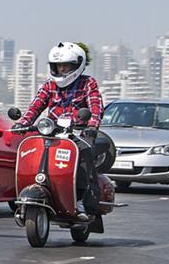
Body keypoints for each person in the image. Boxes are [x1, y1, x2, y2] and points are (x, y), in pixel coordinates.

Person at [13, 42, 103, 220]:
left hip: (78, 133)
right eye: (58, 66)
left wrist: (92, 126)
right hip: (52, 132)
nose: (62, 69)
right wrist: (22, 123)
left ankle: (80, 200)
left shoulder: (88, 83)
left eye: (66, 66)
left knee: (82, 154)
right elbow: (36, 105)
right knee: (34, 153)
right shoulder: (49, 85)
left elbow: (96, 107)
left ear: (77, 66)